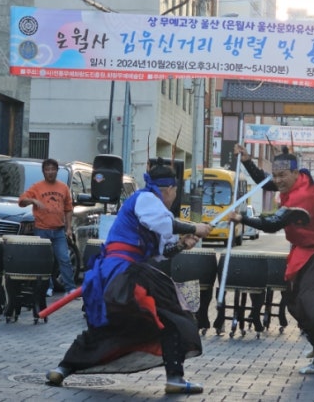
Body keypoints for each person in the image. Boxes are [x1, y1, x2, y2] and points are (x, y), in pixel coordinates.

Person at [45, 159, 212, 394]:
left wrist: (183, 244)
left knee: (109, 326)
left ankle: (62, 369)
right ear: (169, 189)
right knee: (174, 314)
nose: (174, 196)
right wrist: (194, 228)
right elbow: (163, 223)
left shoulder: (153, 208)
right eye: (175, 192)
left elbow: (162, 252)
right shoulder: (146, 198)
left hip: (116, 275)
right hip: (124, 272)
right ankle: (175, 378)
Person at [229, 144, 314, 375]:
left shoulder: (302, 198)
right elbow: (266, 182)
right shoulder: (301, 177)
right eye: (275, 175)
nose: (278, 181)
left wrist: (241, 218)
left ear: (295, 172)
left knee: (310, 302)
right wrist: (246, 161)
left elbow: (272, 224)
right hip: (306, 252)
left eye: (282, 175)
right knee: (294, 301)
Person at [18, 158, 77, 294]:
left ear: (57, 171)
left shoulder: (63, 187)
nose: (50, 172)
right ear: (43, 172)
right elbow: (21, 201)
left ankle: (70, 289)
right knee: (44, 261)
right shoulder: (37, 187)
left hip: (59, 230)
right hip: (41, 230)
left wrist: (68, 228)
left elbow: (68, 209)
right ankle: (47, 287)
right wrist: (33, 200)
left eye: (53, 169)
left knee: (64, 259)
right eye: (47, 169)